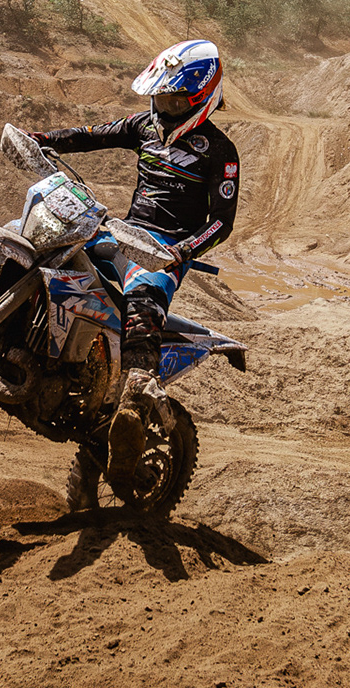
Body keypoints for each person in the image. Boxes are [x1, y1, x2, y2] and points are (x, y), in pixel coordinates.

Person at [25, 38, 239, 487]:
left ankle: (138, 396)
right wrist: (43, 140)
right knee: (48, 247)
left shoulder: (220, 152)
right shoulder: (143, 126)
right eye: (161, 97)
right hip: (119, 233)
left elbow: (222, 222)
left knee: (144, 293)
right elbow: (91, 136)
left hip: (163, 249)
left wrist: (183, 251)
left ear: (202, 98)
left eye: (175, 100)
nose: (165, 107)